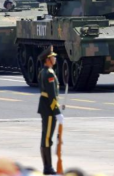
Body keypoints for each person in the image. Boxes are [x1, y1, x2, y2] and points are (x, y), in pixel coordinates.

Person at [37, 46, 63, 175]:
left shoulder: (44, 71)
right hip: (49, 109)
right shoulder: (49, 73)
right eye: (53, 57)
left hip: (46, 108)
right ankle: (48, 167)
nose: (55, 58)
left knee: (46, 137)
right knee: (47, 138)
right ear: (47, 60)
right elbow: (52, 96)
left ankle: (48, 166)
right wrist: (57, 112)